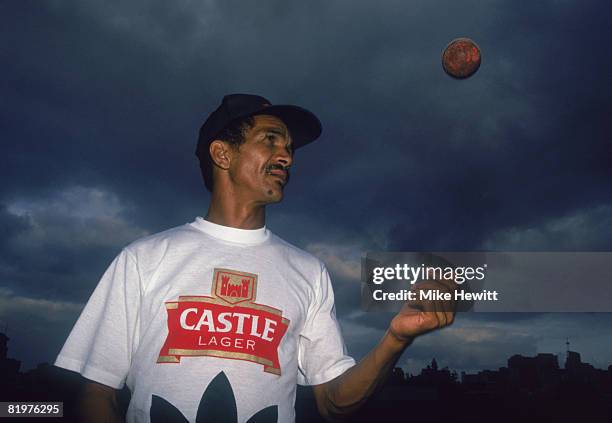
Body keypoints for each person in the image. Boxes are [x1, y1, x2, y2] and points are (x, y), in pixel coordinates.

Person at [55, 94, 455, 422]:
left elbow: (333, 403)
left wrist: (396, 339)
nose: (287, 157)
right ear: (222, 154)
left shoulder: (309, 272)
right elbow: (98, 392)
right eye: (270, 140)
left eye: (290, 148)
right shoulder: (144, 259)